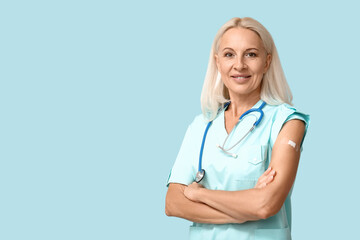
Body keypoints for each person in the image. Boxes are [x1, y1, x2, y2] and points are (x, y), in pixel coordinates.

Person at [165, 17, 310, 240]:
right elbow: (173, 203)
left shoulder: (287, 123)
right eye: (229, 54)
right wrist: (243, 211)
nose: (239, 65)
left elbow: (265, 204)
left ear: (267, 61)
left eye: (251, 54)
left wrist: (199, 194)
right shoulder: (200, 126)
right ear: (217, 62)